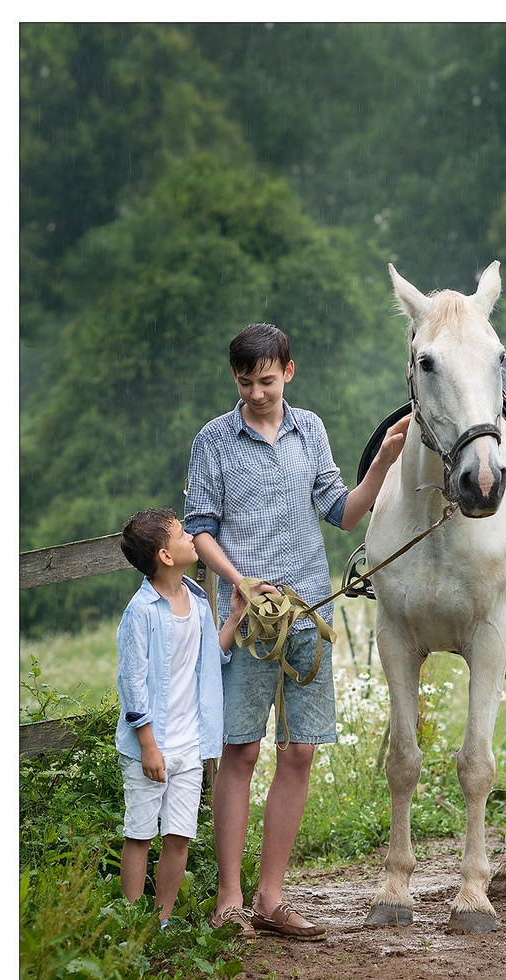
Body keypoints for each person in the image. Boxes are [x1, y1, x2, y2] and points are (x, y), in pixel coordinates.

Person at [184, 322, 410, 940]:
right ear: (235, 380)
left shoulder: (310, 429)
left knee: (300, 750)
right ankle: (229, 897)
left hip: (311, 613)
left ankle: (271, 897)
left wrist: (386, 461)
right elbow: (200, 528)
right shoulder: (214, 440)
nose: (257, 392)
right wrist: (237, 580)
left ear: (288, 370)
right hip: (250, 618)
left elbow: (341, 512)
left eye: (266, 379)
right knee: (240, 751)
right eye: (245, 382)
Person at [116, 507, 272, 934]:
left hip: (189, 744)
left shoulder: (199, 601)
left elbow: (211, 657)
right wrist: (147, 743)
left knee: (179, 836)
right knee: (141, 834)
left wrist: (236, 616)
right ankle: (133, 925)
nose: (193, 540)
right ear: (166, 556)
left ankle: (161, 923)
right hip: (151, 744)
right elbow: (131, 683)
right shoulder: (141, 612)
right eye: (184, 535)